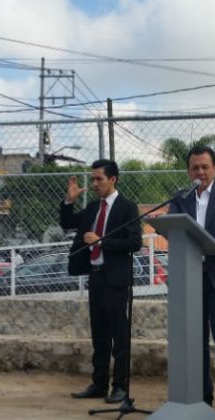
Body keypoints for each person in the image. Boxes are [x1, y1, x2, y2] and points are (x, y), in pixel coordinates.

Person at [168, 146, 215, 420]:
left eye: (205, 167)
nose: (200, 172)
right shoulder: (180, 198)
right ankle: (202, 398)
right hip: (190, 278)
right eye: (195, 168)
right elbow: (174, 228)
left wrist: (214, 246)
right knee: (195, 341)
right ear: (189, 171)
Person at [60, 159, 142, 404]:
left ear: (113, 179)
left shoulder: (127, 208)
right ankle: (99, 384)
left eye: (99, 179)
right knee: (99, 335)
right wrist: (69, 201)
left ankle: (120, 386)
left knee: (119, 334)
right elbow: (66, 223)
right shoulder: (93, 208)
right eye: (93, 179)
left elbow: (134, 243)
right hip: (95, 277)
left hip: (116, 279)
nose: (94, 183)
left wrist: (101, 241)